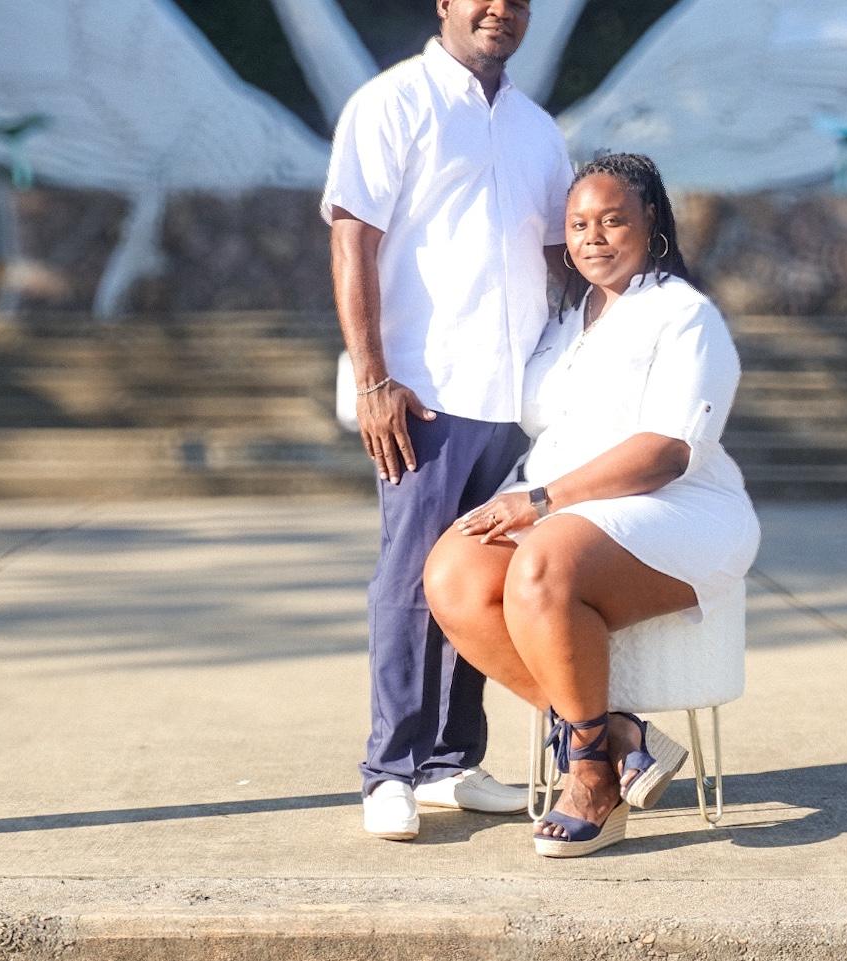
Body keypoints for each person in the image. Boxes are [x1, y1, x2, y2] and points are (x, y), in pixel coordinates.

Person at [424, 153, 761, 858]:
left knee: (545, 560)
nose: (593, 237)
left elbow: (667, 451)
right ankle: (615, 735)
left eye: (613, 220)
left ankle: (589, 779)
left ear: (651, 223)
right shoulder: (567, 319)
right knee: (454, 572)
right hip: (566, 512)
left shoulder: (682, 313)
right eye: (579, 225)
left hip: (677, 509)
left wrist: (540, 499)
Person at [320, 0, 573, 841]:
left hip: (516, 400)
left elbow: (558, 260)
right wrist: (372, 379)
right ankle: (389, 770)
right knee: (408, 584)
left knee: (477, 583)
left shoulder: (538, 130)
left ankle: (450, 764)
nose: (499, 9)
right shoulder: (391, 102)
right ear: (445, 4)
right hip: (423, 393)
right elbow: (353, 240)